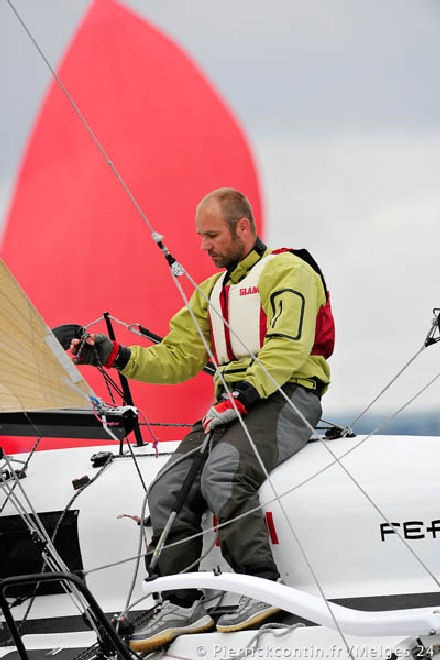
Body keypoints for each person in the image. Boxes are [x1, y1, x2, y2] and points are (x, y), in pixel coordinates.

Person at [70, 187, 334, 653]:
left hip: (286, 397)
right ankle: (180, 602)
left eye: (212, 235)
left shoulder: (290, 272)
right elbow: (176, 358)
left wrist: (245, 393)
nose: (204, 246)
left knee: (225, 475)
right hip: (233, 403)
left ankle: (261, 587)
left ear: (244, 228)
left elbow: (288, 347)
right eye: (200, 237)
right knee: (166, 491)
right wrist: (112, 354)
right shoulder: (210, 293)